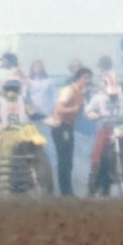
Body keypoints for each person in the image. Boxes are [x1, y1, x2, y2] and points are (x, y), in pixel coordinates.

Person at [48, 66, 90, 195]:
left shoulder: (81, 94)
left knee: (68, 160)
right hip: (61, 126)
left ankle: (67, 190)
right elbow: (58, 109)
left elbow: (86, 113)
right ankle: (65, 191)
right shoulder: (69, 91)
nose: (88, 82)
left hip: (69, 126)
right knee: (64, 159)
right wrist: (74, 109)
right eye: (86, 79)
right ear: (80, 78)